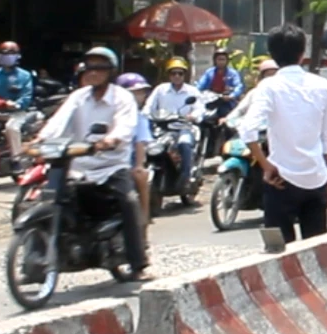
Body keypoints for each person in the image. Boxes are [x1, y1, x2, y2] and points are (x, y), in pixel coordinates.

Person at [33, 47, 149, 278]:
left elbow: (126, 126)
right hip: (78, 166)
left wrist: (111, 139)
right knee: (45, 202)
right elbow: (58, 121)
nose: (93, 72)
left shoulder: (122, 97)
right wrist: (40, 140)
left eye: (100, 68)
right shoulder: (78, 97)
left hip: (111, 167)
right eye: (90, 67)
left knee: (128, 201)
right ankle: (35, 264)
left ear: (111, 71)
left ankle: (139, 264)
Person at [240, 24, 327, 244]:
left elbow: (247, 129)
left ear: (272, 55)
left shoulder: (268, 86)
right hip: (316, 179)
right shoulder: (322, 85)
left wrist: (266, 166)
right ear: (302, 53)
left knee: (277, 250)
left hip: (280, 180)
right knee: (317, 251)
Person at [144, 57, 203, 201]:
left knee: (184, 144)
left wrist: (192, 116)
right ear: (169, 75)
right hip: (163, 129)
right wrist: (145, 115)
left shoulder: (192, 91)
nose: (177, 76)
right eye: (173, 73)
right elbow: (148, 106)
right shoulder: (160, 89)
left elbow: (200, 109)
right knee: (148, 146)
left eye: (180, 73)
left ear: (185, 75)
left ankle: (185, 178)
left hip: (184, 128)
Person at [116, 73, 154, 240]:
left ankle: (142, 229)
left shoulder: (139, 118)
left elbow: (140, 144)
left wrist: (138, 165)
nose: (140, 96)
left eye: (142, 92)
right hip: (102, 163)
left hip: (127, 164)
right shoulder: (109, 111)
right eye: (135, 92)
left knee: (141, 177)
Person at [0, 41, 35, 173]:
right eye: (3, 54)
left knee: (12, 128)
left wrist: (16, 104)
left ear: (17, 56)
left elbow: (27, 96)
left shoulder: (24, 75)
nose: (7, 57)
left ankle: (16, 159)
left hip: (17, 112)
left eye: (11, 54)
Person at [221, 59, 278, 126]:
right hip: (256, 128)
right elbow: (240, 109)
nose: (271, 78)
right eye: (268, 75)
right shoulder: (255, 93)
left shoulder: (283, 93)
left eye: (274, 75)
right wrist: (227, 119)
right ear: (262, 77)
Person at [197, 49, 244, 119]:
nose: (221, 62)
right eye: (219, 59)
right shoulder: (209, 72)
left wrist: (232, 95)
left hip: (226, 101)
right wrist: (196, 91)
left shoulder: (233, 73)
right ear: (215, 60)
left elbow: (239, 86)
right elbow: (200, 85)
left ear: (227, 61)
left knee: (226, 117)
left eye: (223, 59)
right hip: (210, 100)